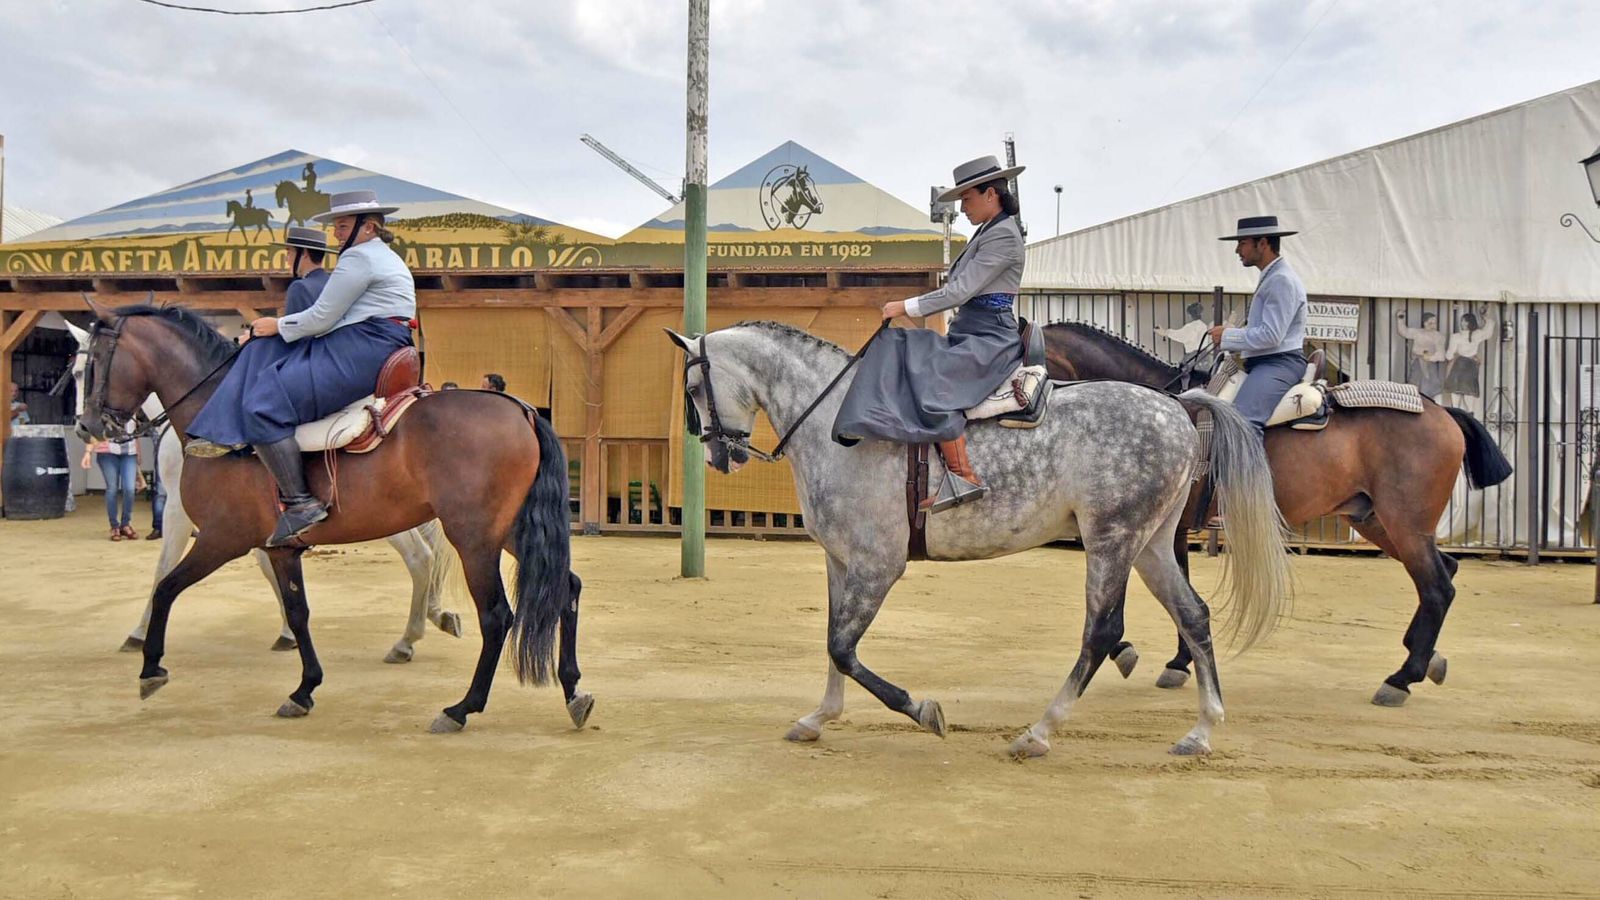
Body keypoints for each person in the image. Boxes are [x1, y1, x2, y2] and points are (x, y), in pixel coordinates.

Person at [186, 191, 415, 546]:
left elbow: (322, 318)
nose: (336, 234)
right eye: (336, 226)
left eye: (341, 226)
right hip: (370, 340)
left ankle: (299, 502)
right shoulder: (377, 256)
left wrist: (274, 325)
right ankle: (217, 428)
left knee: (261, 406)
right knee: (264, 347)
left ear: (368, 227)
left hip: (365, 344)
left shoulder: (358, 259)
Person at [832, 154, 1027, 513]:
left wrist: (904, 306)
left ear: (990, 194)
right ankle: (867, 419)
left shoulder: (1003, 236)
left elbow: (958, 292)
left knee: (935, 384)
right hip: (968, 333)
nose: (963, 208)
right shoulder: (988, 230)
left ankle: (963, 475)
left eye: (967, 199)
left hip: (990, 340)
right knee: (899, 344)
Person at [1206, 216, 1308, 442]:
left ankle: (1247, 478)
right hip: (1268, 362)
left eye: (1242, 243)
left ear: (1263, 243)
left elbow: (1271, 335)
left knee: (1242, 423)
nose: (1237, 250)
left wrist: (1227, 336)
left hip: (1278, 363)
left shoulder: (1281, 280)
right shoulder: (1272, 276)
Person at [82, 418, 144, 541]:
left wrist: (138, 453)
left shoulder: (132, 409)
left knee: (130, 489)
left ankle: (125, 524)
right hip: (107, 451)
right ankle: (114, 526)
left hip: (129, 451)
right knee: (112, 489)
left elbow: (135, 432)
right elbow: (94, 429)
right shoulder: (106, 408)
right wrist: (88, 452)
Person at [1443, 305, 1495, 409]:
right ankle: (1470, 417)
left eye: (1463, 321)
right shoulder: (1477, 334)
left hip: (1458, 366)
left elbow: (1449, 355)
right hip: (1471, 366)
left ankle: (1456, 418)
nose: (1461, 323)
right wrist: (1486, 319)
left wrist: (1452, 356)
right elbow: (1489, 332)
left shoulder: (1456, 336)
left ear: (1466, 322)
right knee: (1469, 395)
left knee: (1456, 395)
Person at [1395, 311, 1446, 400]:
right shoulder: (1417, 332)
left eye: (1434, 323)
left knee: (1428, 388)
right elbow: (1403, 332)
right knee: (1414, 386)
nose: (1432, 325)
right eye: (1430, 322)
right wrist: (1400, 319)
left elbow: (1441, 355)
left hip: (1431, 365)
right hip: (1417, 364)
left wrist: (1430, 357)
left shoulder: (1438, 336)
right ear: (1424, 323)